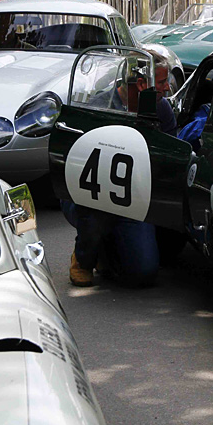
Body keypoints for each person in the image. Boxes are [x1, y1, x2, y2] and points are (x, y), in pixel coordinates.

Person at [64, 52, 176, 288]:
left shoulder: (162, 109)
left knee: (142, 273)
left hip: (136, 199)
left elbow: (170, 157)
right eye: (162, 82)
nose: (167, 87)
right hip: (92, 197)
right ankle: (83, 259)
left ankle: (108, 249)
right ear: (142, 84)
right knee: (95, 214)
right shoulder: (98, 108)